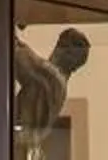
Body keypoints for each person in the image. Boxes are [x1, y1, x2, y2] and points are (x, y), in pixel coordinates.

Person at [11, 27, 91, 160]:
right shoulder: (60, 87)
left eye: (60, 45)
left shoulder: (52, 77)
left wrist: (9, 18)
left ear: (61, 50)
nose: (54, 51)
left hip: (17, 147)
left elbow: (15, 53)